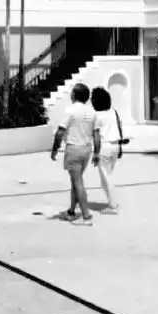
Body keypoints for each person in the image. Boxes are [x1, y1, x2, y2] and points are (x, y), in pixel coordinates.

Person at [51, 83, 100, 225]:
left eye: (72, 93)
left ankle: (86, 216)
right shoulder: (92, 112)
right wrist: (97, 153)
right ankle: (71, 211)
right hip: (86, 150)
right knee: (75, 181)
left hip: (73, 149)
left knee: (78, 182)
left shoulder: (71, 110)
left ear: (74, 95)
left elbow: (60, 132)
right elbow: (96, 134)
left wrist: (55, 149)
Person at [91, 86, 125, 214]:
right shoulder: (114, 112)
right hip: (115, 145)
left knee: (105, 178)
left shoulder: (96, 116)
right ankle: (112, 201)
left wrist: (95, 153)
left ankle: (112, 205)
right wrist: (120, 147)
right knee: (108, 175)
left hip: (104, 147)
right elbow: (119, 129)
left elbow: (96, 136)